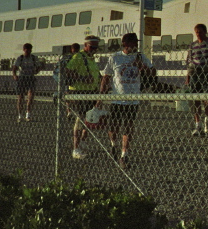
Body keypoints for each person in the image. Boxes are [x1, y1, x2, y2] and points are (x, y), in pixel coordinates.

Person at [98, 32, 154, 169]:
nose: (135, 46)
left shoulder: (140, 57)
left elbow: (153, 72)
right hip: (117, 100)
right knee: (114, 128)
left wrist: (142, 66)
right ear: (125, 45)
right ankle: (113, 144)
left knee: (128, 126)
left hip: (133, 100)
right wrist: (100, 97)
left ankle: (124, 155)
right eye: (132, 44)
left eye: (136, 44)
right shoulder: (115, 57)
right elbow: (106, 77)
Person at [63, 36, 101, 159]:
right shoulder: (79, 57)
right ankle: (76, 148)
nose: (94, 49)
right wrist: (83, 78)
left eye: (96, 47)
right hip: (80, 92)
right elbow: (67, 71)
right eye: (92, 46)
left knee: (90, 119)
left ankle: (82, 142)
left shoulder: (91, 58)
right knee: (80, 119)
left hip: (91, 92)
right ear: (85, 45)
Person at [11, 43, 40, 122]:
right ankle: (20, 115)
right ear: (24, 50)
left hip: (30, 77)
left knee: (30, 97)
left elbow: (38, 67)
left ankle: (28, 114)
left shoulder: (34, 58)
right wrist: (14, 75)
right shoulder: (20, 58)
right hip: (22, 78)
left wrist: (36, 71)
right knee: (20, 97)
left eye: (29, 50)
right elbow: (14, 68)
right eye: (26, 50)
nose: (27, 51)